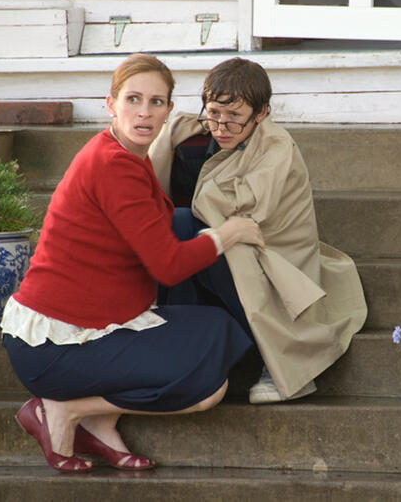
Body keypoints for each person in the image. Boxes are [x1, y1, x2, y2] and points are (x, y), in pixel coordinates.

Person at [0, 53, 263, 473]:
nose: (144, 112)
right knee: (207, 387)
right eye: (133, 99)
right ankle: (60, 411)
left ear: (169, 110)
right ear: (110, 104)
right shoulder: (111, 164)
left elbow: (154, 218)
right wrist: (227, 233)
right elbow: (169, 266)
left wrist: (162, 146)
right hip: (56, 343)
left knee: (215, 332)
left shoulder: (120, 151)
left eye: (157, 102)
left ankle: (100, 424)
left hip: (95, 324)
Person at [148, 57, 367, 404]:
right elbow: (153, 205)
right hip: (230, 250)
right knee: (176, 226)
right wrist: (164, 142)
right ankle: (183, 352)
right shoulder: (198, 139)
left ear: (261, 113)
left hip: (275, 261)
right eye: (213, 114)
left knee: (210, 238)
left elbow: (246, 215)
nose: (221, 128)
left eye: (234, 118)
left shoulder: (277, 148)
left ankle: (278, 359)